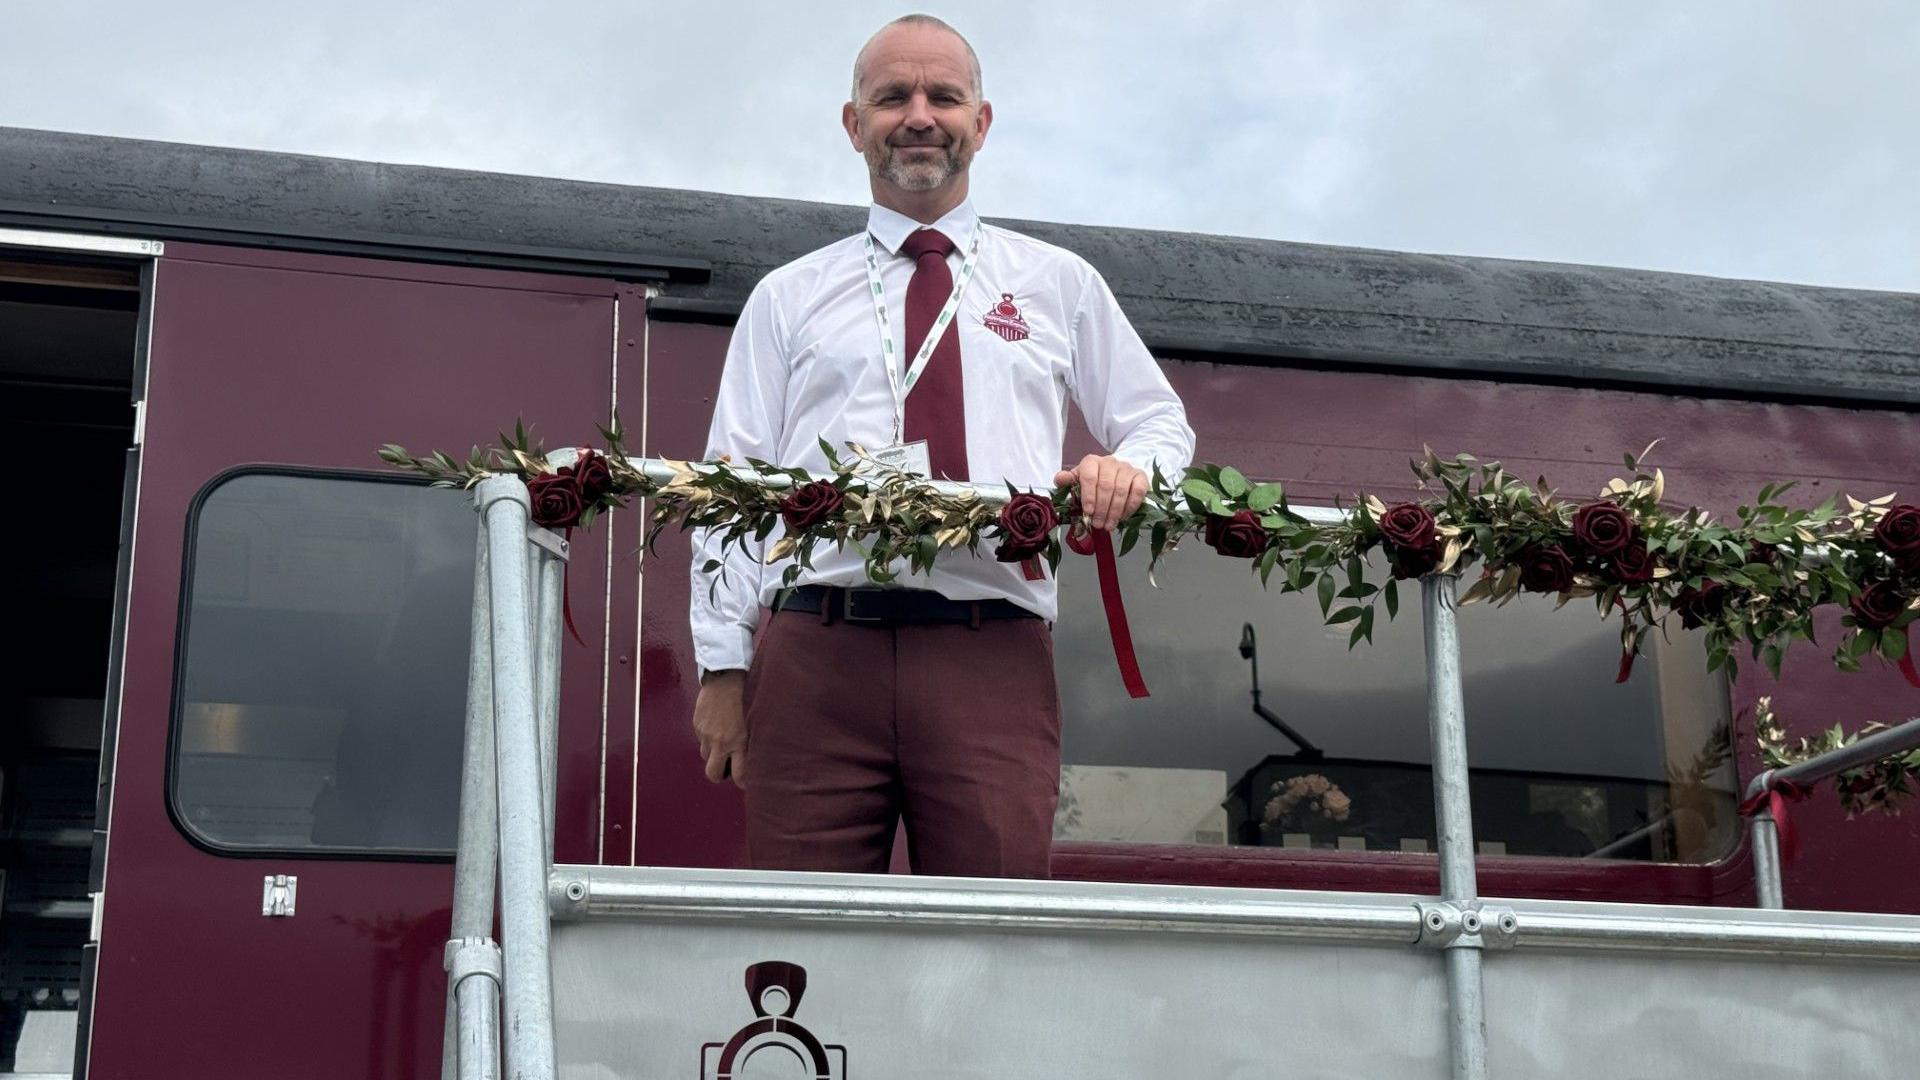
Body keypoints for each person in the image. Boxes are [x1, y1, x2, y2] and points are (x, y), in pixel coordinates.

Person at [689, 13, 1194, 879]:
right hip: (817, 652)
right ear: (854, 125)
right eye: (892, 97)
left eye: (943, 96)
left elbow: (1161, 423)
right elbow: (728, 483)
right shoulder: (787, 297)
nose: (919, 115)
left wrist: (1128, 468)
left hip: (988, 649)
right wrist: (723, 666)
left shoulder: (1057, 284)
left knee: (989, 947)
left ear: (981, 122)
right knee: (802, 947)